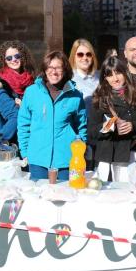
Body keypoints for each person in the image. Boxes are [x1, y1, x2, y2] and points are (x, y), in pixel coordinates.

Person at [87, 56, 136, 181]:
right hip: (106, 159)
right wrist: (109, 126)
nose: (115, 78)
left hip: (133, 156)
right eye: (110, 75)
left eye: (118, 73)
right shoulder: (99, 98)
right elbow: (91, 131)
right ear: (105, 78)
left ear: (125, 73)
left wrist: (134, 126)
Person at [17, 51, 88, 181]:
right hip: (38, 158)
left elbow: (81, 127)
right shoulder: (31, 92)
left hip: (67, 159)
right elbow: (23, 124)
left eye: (58, 67)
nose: (54, 72)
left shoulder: (75, 96)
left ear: (65, 69)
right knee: (39, 198)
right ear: (44, 69)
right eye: (50, 67)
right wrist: (25, 152)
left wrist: (80, 152)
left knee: (68, 196)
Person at [0, 40, 36, 107]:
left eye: (17, 56)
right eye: (9, 58)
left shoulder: (32, 79)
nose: (14, 60)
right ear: (4, 61)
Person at [68, 38, 100, 114]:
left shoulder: (101, 76)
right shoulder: (68, 79)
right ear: (74, 57)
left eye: (88, 54)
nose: (85, 58)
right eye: (80, 54)